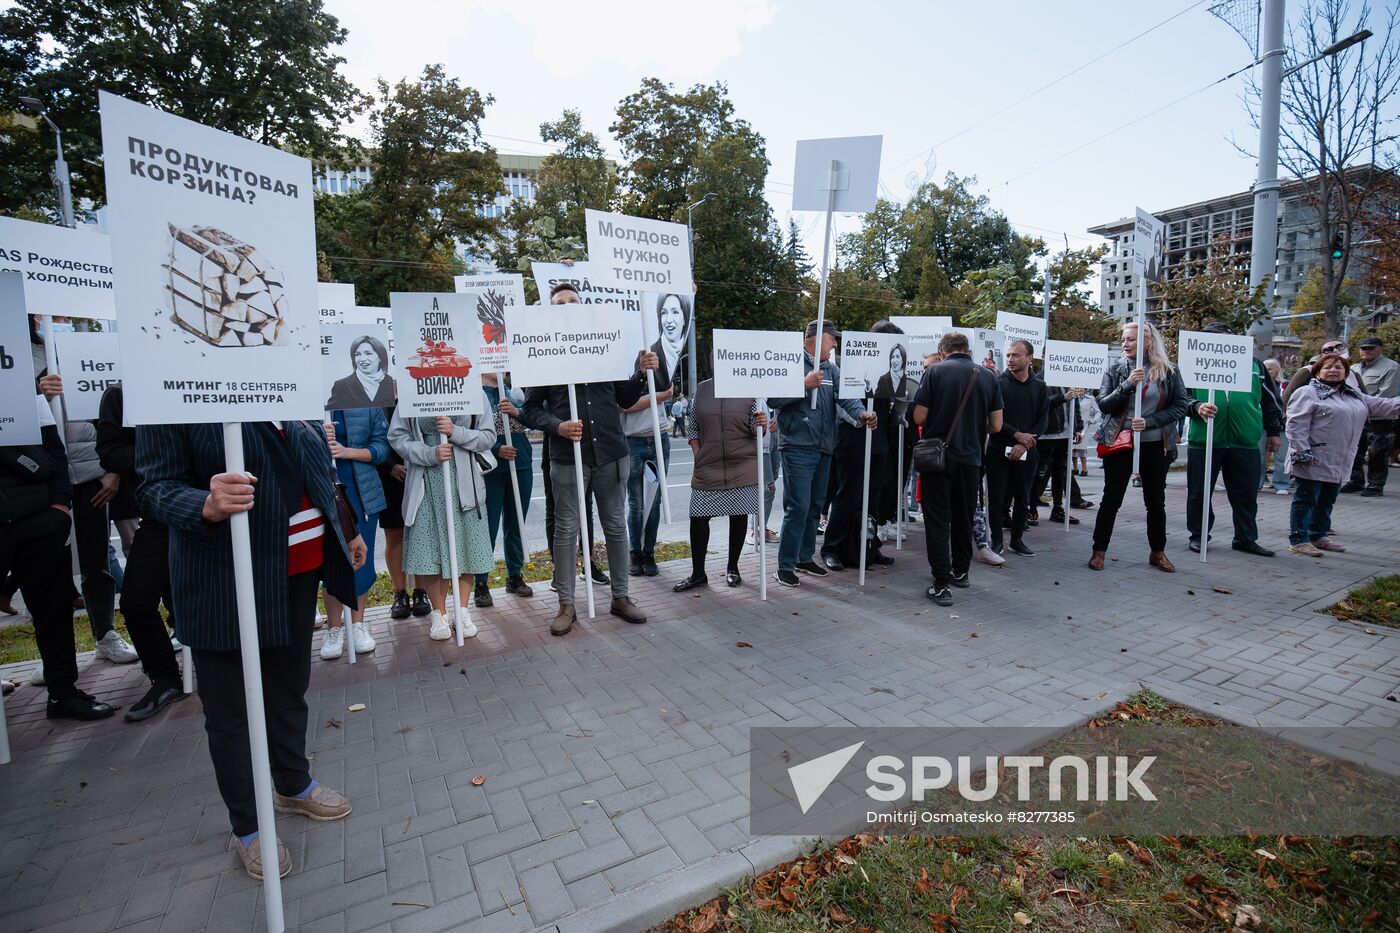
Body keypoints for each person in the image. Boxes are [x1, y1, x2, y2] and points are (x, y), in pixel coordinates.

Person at [137, 420, 365, 879]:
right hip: (221, 579)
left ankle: (292, 783)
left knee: (287, 689)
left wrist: (345, 526)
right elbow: (152, 487)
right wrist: (202, 502)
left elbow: (315, 465)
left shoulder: (284, 373)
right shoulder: (170, 388)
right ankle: (249, 825)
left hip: (298, 572)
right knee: (230, 712)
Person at [521, 282, 659, 635]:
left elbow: (625, 399)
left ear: (584, 306)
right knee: (567, 529)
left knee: (615, 525)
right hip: (568, 457)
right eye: (559, 303)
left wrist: (640, 372)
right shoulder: (543, 354)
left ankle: (620, 597)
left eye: (573, 301)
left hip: (611, 452)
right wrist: (557, 426)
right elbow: (531, 409)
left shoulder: (606, 346)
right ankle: (566, 604)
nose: (567, 306)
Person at [29, 318, 138, 670]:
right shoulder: (22, 355)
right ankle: (53, 657)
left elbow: (108, 421)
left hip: (94, 477)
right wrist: (36, 395)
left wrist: (112, 471)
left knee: (96, 561)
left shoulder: (83, 348)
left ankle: (105, 633)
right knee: (46, 569)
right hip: (43, 478)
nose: (53, 322)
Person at [2, 396, 115, 720]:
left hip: (39, 517)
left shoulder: (20, 386)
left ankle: (63, 693)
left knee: (53, 612)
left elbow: (53, 448)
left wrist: (59, 506)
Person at [95, 385, 186, 721]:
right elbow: (109, 452)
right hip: (161, 511)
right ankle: (164, 677)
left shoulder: (202, 377)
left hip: (217, 504)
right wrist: (163, 451)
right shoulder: (121, 394)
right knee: (135, 600)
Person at [769, 320, 876, 587]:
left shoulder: (831, 369)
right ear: (815, 339)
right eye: (832, 339)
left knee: (816, 506)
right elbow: (772, 399)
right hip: (797, 445)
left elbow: (847, 398)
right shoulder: (791, 362)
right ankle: (785, 565)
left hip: (824, 446)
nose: (835, 344)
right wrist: (802, 384)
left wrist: (861, 413)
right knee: (799, 506)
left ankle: (805, 557)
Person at [1088, 320, 1189, 573]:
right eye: (1123, 339)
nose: (1125, 343)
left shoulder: (1168, 371)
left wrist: (1151, 421)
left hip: (1156, 444)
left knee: (1155, 501)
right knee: (1111, 499)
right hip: (1121, 443)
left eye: (1131, 339)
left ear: (1148, 342)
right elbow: (1104, 405)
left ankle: (1158, 552)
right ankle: (1099, 551)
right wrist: (1127, 384)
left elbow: (1180, 405)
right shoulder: (1116, 369)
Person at [388, 409, 495, 641]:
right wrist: (429, 453)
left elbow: (488, 436)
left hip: (465, 485)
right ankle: (439, 613)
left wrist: (455, 432)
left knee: (468, 547)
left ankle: (462, 611)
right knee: (430, 550)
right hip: (426, 483)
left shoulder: (472, 389)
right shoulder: (412, 389)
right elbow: (397, 436)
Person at [912, 331, 1003, 605]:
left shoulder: (935, 372)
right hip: (971, 459)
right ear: (968, 350)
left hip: (938, 459)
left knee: (938, 519)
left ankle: (941, 583)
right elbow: (997, 425)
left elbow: (919, 415)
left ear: (943, 351)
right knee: (964, 516)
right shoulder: (988, 376)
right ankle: (961, 572)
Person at [1184, 322, 1283, 557]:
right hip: (1205, 440)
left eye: (1223, 337)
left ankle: (1245, 538)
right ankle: (1198, 536)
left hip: (1245, 440)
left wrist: (1274, 432)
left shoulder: (1254, 365)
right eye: (1212, 338)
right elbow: (1180, 397)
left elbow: (1270, 401)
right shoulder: (1191, 363)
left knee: (1246, 494)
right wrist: (1196, 406)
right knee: (1199, 492)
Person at [1285, 352, 1400, 554]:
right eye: (1328, 367)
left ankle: (1319, 535)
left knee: (1327, 500)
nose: (1333, 370)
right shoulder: (1307, 392)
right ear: (1317, 371)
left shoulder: (1353, 394)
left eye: (1339, 367)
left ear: (1346, 373)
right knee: (1306, 499)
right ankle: (1299, 539)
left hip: (1340, 458)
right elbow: (1295, 425)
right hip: (1312, 458)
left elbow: (1382, 405)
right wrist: (1302, 451)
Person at [673, 378, 767, 591]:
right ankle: (698, 574)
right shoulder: (703, 389)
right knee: (697, 516)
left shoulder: (750, 388)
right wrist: (698, 455)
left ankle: (732, 568)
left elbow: (757, 431)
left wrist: (760, 424)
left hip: (742, 465)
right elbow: (694, 427)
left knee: (739, 514)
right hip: (708, 465)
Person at [822, 325, 901, 572]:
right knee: (847, 496)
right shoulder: (853, 366)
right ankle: (832, 548)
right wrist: (861, 418)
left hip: (879, 442)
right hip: (853, 441)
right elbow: (842, 404)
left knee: (873, 499)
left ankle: (868, 546)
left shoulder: (888, 374)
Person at [319, 406, 389, 659]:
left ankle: (358, 624)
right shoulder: (311, 399)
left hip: (361, 492)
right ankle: (334, 628)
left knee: (361, 559)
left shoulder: (365, 400)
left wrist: (347, 452)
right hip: (323, 490)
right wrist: (318, 437)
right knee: (333, 561)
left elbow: (382, 448)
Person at [985, 340, 1048, 556]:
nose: (1010, 359)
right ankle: (996, 541)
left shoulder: (1040, 386)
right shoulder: (998, 383)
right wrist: (1016, 435)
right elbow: (992, 419)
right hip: (998, 449)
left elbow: (1043, 420)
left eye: (1016, 355)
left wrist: (1024, 443)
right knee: (996, 498)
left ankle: (1017, 540)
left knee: (1023, 497)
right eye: (1009, 355)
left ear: (1030, 358)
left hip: (1027, 450)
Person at [480, 374, 534, 602]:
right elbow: (471, 429)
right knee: (487, 527)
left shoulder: (516, 392)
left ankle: (515, 576)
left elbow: (534, 419)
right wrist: (495, 448)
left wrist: (516, 411)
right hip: (490, 469)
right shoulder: (475, 394)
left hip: (520, 463)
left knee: (516, 522)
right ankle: (481, 582)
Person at [378, 404, 432, 622]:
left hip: (421, 470)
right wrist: (389, 466)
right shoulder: (377, 397)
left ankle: (421, 593)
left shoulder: (417, 391)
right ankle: (400, 594)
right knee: (394, 534)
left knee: (420, 534)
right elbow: (375, 438)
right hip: (390, 476)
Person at [622, 345, 672, 578]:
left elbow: (668, 391)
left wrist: (659, 393)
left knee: (654, 503)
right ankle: (635, 553)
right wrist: (658, 397)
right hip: (633, 441)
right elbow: (624, 405)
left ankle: (649, 552)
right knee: (636, 503)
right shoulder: (622, 369)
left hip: (658, 439)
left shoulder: (659, 363)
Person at [1342, 336, 1398, 497]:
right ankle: (1355, 481)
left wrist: (1362, 407)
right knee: (1354, 450)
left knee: (1377, 452)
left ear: (1380, 349)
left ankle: (1375, 484)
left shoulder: (1391, 367)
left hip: (1379, 418)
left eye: (1371, 348)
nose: (1366, 351)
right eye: (1363, 348)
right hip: (1356, 417)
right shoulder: (1353, 368)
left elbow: (1386, 394)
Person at [1029, 384, 1086, 525]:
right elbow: (1039, 404)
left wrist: (1078, 428)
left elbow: (1075, 405)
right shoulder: (1040, 379)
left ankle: (1058, 509)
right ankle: (1031, 508)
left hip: (1065, 435)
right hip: (1047, 435)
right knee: (1040, 474)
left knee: (1061, 473)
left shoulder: (1068, 379)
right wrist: (1062, 397)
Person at [324, 335, 394, 410]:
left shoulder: (392, 384)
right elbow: (330, 414)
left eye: (368, 353)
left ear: (380, 357)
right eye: (357, 354)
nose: (362, 359)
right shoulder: (341, 386)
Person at [1073, 392, 1100, 477]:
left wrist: (1093, 420)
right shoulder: (1072, 396)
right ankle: (1075, 468)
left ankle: (1084, 469)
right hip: (1073, 426)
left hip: (1085, 426)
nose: (1079, 389)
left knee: (1082, 448)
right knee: (1073, 448)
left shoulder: (1090, 399)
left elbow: (1098, 412)